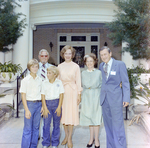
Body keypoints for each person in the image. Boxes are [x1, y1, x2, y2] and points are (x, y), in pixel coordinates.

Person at [99, 46, 130, 148]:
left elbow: (125, 82)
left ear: (110, 54)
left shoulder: (120, 64)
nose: (103, 57)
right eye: (101, 55)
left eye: (105, 54)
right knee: (108, 126)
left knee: (118, 126)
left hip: (116, 99)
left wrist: (126, 98)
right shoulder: (101, 65)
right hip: (104, 100)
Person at [58, 45, 82, 148]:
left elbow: (78, 81)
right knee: (64, 115)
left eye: (69, 53)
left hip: (73, 92)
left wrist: (79, 94)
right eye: (65, 53)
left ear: (72, 55)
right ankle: (66, 136)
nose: (67, 55)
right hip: (63, 92)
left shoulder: (76, 66)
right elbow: (58, 82)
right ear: (63, 55)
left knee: (71, 115)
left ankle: (69, 138)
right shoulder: (59, 66)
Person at [80, 53, 102, 148]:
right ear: (85, 63)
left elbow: (102, 85)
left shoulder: (99, 73)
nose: (89, 63)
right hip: (86, 96)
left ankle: (96, 139)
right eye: (87, 61)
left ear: (94, 62)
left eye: (91, 61)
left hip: (96, 95)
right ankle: (91, 138)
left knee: (96, 118)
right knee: (89, 117)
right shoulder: (83, 73)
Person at [19, 59, 42, 148]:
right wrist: (26, 109)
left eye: (36, 66)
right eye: (33, 67)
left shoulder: (40, 80)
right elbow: (23, 96)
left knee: (36, 128)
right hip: (30, 105)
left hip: (39, 105)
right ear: (29, 68)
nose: (35, 68)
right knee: (28, 129)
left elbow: (42, 93)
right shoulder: (25, 80)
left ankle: (33, 146)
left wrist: (43, 106)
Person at [41, 66, 64, 148]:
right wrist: (45, 107)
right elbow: (42, 96)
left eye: (49, 73)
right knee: (46, 124)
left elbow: (61, 95)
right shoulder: (44, 83)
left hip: (56, 103)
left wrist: (59, 107)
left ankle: (55, 143)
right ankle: (46, 143)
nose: (47, 74)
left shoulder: (59, 82)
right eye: (47, 73)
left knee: (56, 124)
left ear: (55, 74)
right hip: (47, 104)